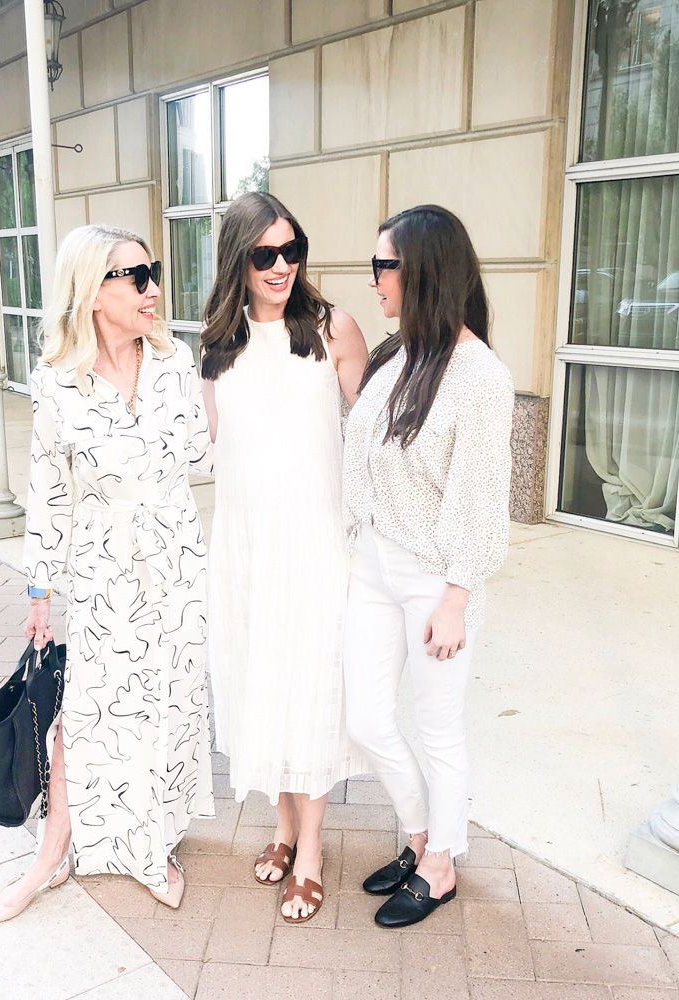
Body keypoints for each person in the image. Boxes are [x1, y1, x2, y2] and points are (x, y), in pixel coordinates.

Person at [0, 224, 214, 927]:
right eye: (136, 277)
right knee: (84, 716)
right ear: (93, 292)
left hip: (175, 555)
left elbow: (197, 454)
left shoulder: (176, 361)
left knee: (170, 703)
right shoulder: (57, 383)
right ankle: (52, 853)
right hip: (105, 562)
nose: (153, 290)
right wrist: (39, 588)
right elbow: (49, 491)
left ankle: (154, 847)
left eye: (153, 273)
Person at [342, 205, 514, 928]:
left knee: (438, 725)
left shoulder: (480, 376)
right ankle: (420, 833)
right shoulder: (397, 355)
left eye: (386, 265)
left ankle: (440, 862)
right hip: (373, 563)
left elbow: (479, 498)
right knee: (367, 715)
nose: (375, 279)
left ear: (424, 272)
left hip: (433, 577)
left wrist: (456, 597)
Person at [201, 192, 369, 923]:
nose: (281, 266)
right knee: (262, 685)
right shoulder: (214, 346)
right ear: (238, 258)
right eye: (265, 253)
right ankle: (281, 826)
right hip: (244, 545)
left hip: (314, 543)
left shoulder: (333, 329)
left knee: (312, 692)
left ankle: (310, 852)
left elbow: (372, 443)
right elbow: (200, 447)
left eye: (291, 250)